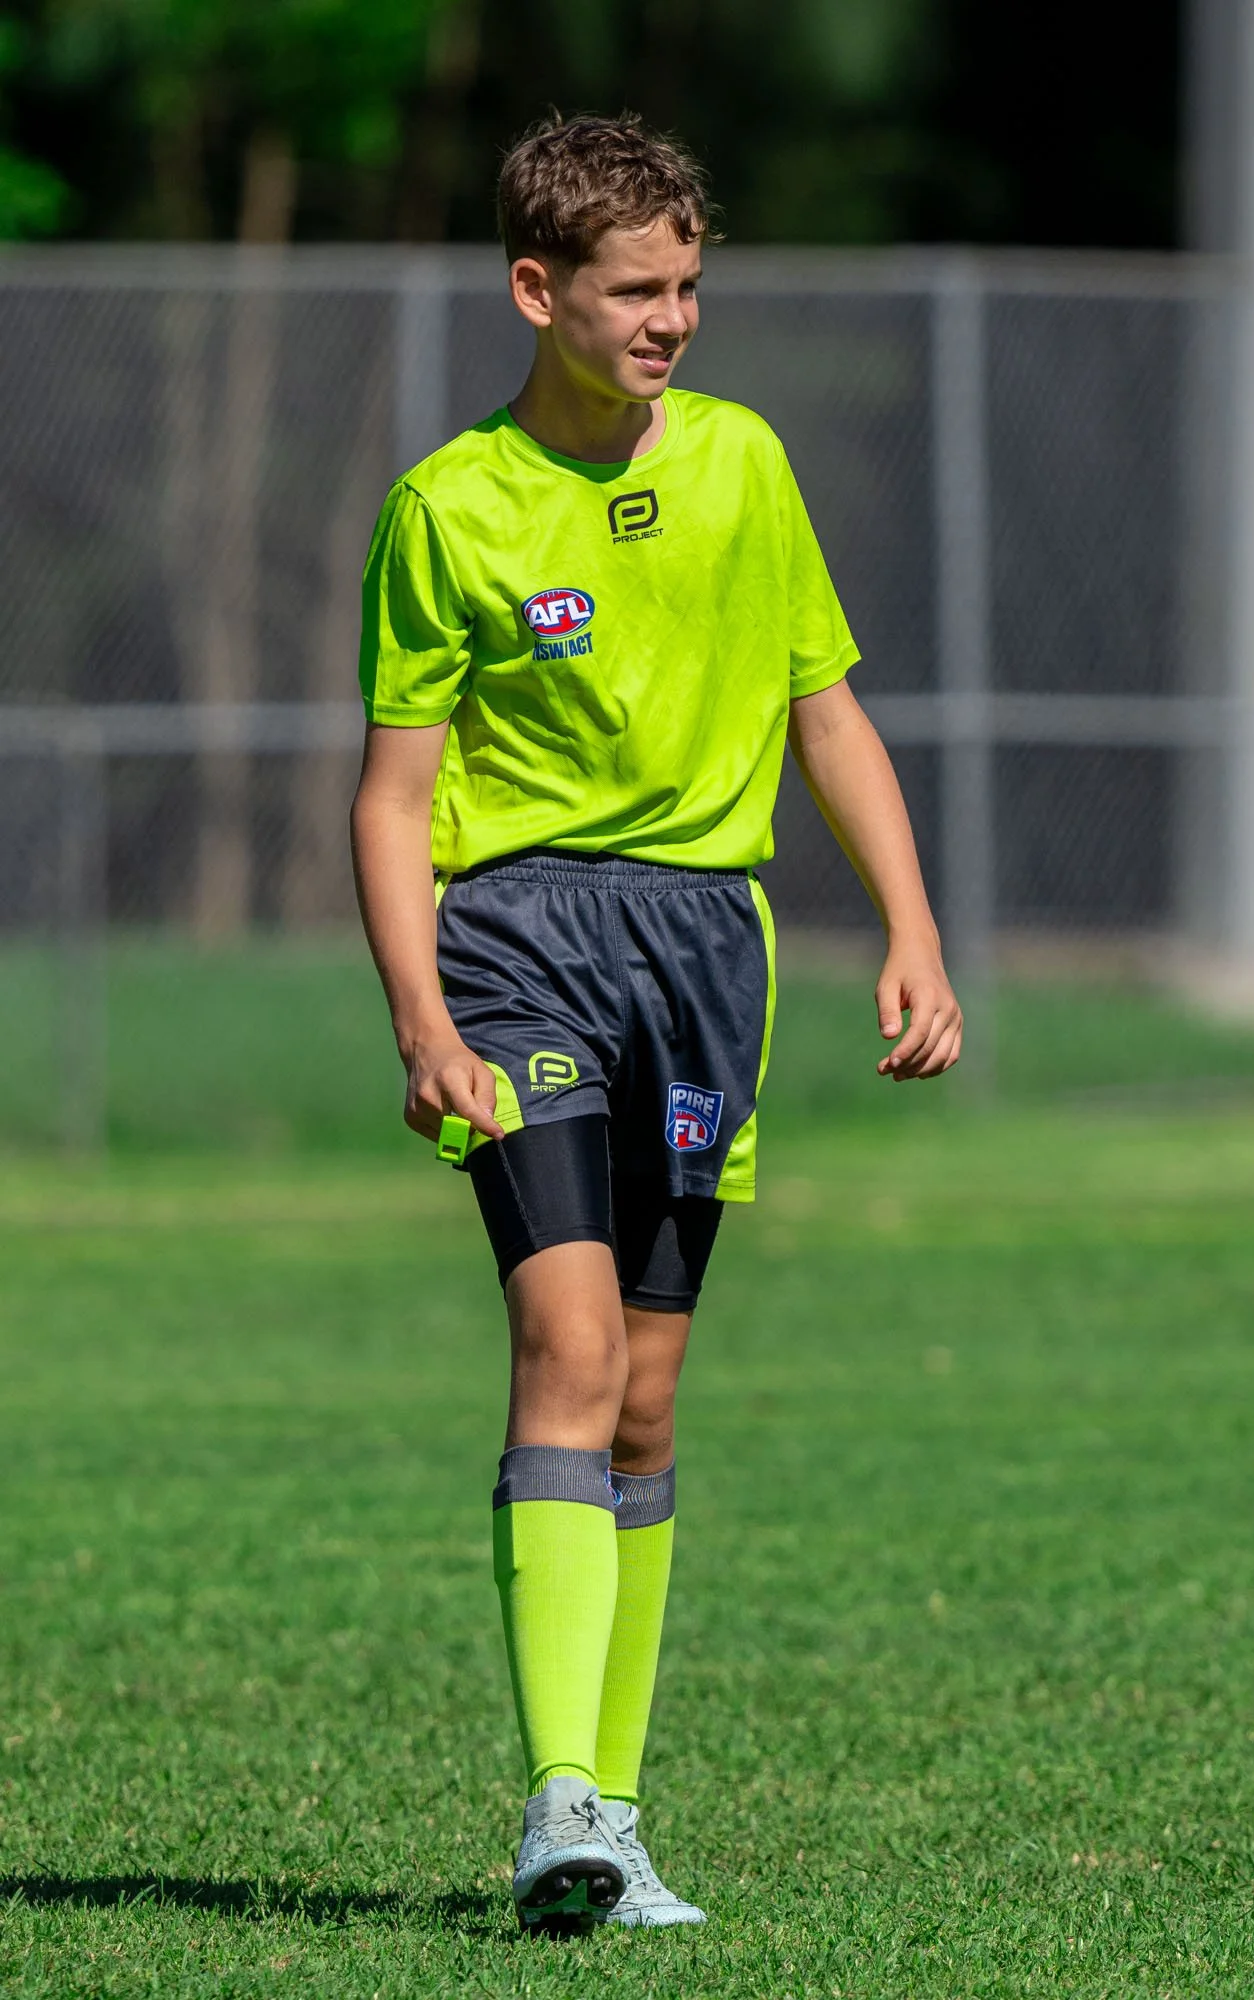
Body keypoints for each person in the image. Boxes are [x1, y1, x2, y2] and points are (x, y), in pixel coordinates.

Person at [350, 112, 962, 1933]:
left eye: (688, 284)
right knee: (565, 1344)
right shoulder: (450, 507)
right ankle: (556, 1801)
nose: (671, 319)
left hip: (704, 947)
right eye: (635, 289)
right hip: (521, 936)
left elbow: (826, 712)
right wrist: (419, 1019)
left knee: (648, 1390)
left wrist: (913, 928)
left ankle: (616, 1825)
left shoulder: (746, 464)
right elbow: (394, 798)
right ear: (537, 291)